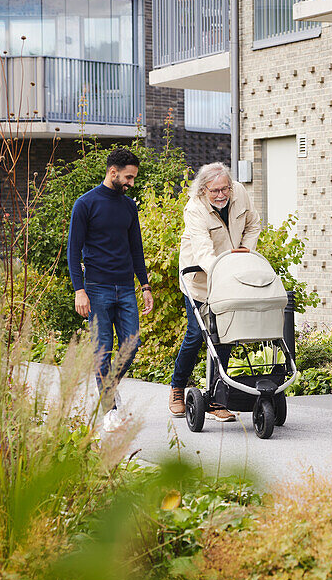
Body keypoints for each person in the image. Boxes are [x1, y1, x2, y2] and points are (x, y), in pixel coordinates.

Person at [67, 147, 153, 432]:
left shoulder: (129, 206)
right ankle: (109, 410)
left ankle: (109, 387)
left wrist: (145, 285)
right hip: (97, 288)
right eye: (128, 177)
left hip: (126, 287)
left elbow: (136, 249)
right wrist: (80, 290)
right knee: (102, 350)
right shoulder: (85, 204)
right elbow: (73, 250)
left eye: (133, 178)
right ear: (112, 172)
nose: (131, 183)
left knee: (133, 343)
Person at [168, 163, 262, 420]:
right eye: (215, 191)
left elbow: (254, 224)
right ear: (203, 190)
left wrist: (245, 251)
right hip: (200, 279)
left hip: (231, 276)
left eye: (225, 189)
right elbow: (203, 252)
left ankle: (217, 398)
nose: (221, 195)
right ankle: (178, 387)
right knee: (197, 334)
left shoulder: (239, 193)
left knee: (226, 334)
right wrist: (226, 271)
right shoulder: (195, 209)